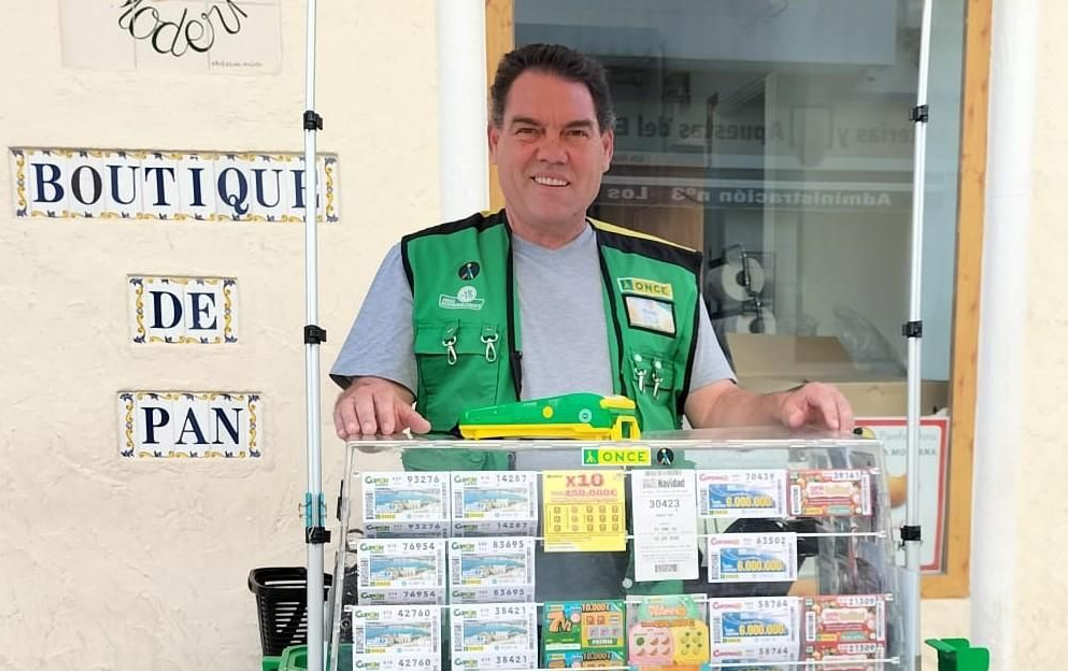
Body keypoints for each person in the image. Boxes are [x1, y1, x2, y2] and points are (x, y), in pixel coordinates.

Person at [330, 42, 855, 439]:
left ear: (605, 148)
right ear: (496, 143)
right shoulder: (423, 263)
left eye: (575, 132)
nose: (552, 152)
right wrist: (369, 394)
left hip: (634, 557)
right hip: (481, 562)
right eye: (529, 130)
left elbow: (715, 404)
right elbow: (380, 390)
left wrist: (785, 406)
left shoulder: (664, 275)